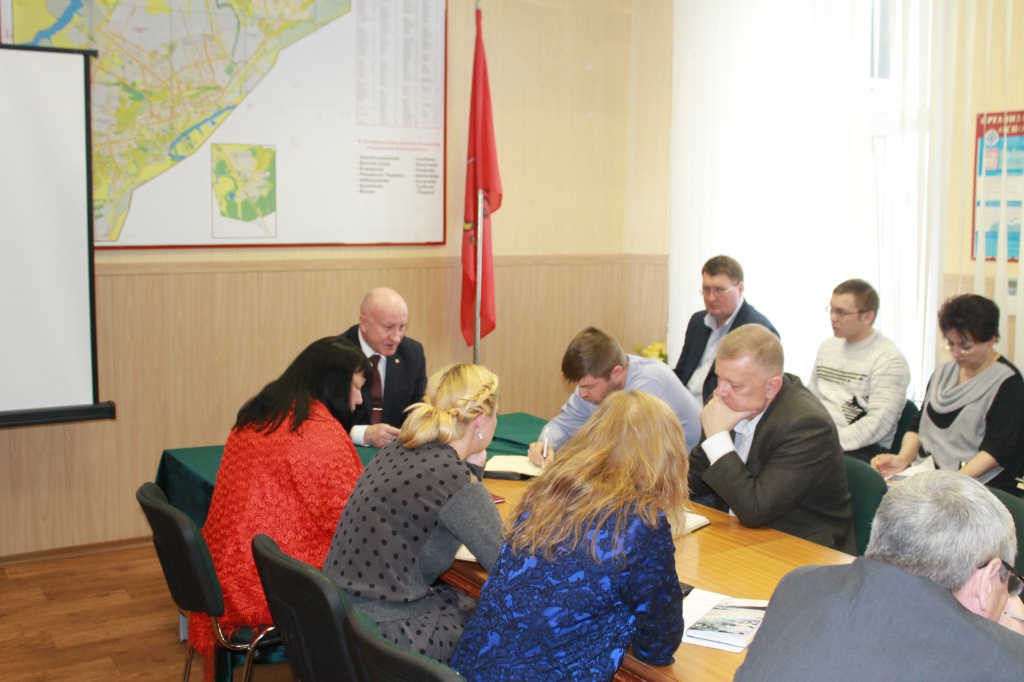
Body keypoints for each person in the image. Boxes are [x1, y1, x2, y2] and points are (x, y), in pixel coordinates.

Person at [451, 391, 689, 680]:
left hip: (472, 671)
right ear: (667, 455)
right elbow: (658, 646)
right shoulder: (642, 521)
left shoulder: (550, 490)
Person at [189, 336, 371, 680]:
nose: (359, 400)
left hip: (221, 571)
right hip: (265, 586)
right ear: (333, 382)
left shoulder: (262, 412)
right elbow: (351, 522)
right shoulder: (319, 432)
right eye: (356, 387)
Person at [735, 471, 1024, 682]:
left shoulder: (798, 585)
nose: (1009, 595)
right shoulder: (1005, 661)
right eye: (1009, 581)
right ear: (987, 579)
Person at [322, 364, 504, 665]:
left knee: (464, 598)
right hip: (389, 635)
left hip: (342, 619)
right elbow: (506, 563)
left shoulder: (398, 447)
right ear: (481, 420)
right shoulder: (455, 479)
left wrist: (473, 463)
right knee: (503, 627)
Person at [688, 324, 856, 553]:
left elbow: (755, 510)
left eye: (735, 385)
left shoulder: (807, 425)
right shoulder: (728, 402)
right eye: (719, 378)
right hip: (738, 535)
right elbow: (694, 479)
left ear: (771, 387)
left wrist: (717, 439)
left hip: (801, 548)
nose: (720, 392)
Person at [874, 294, 1024, 493]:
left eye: (966, 347)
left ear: (990, 340)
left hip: (977, 485)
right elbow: (918, 425)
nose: (956, 353)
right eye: (951, 344)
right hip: (929, 476)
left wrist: (950, 483)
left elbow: (997, 451)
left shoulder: (1009, 384)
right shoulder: (943, 373)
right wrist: (903, 459)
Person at [526, 327, 701, 467]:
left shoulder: (649, 384)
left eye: (588, 387)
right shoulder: (595, 382)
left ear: (616, 373)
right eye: (580, 386)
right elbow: (563, 425)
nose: (581, 394)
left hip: (688, 478)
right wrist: (546, 445)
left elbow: (627, 455)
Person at [808, 279, 911, 461]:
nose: (833, 317)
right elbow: (811, 399)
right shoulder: (827, 347)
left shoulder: (889, 360)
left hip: (860, 449)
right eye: (831, 309)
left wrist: (823, 443)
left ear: (867, 317)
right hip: (820, 440)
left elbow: (877, 425)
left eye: (841, 312)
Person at [674, 255, 779, 404]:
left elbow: (755, 395)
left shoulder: (759, 331)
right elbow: (681, 373)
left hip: (719, 408)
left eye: (720, 290)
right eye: (706, 289)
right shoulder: (697, 321)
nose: (711, 298)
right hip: (682, 404)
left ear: (740, 288)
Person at [341, 287, 428, 448]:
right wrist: (362, 434)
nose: (396, 338)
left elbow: (418, 410)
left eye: (401, 327)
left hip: (396, 452)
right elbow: (320, 422)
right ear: (364, 323)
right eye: (388, 327)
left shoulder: (413, 354)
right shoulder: (336, 356)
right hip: (346, 449)